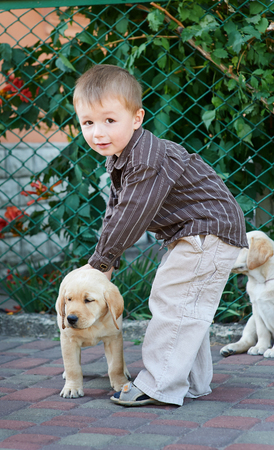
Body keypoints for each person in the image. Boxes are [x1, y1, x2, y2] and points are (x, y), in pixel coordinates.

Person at [72, 64, 248, 407]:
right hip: (194, 233)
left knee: (173, 300)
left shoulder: (147, 157)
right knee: (187, 305)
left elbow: (133, 212)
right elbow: (115, 210)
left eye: (110, 120)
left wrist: (103, 260)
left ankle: (158, 385)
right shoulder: (121, 158)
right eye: (88, 123)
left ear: (136, 118)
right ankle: (192, 383)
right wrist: (102, 262)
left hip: (208, 230)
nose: (97, 132)